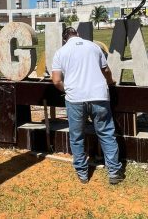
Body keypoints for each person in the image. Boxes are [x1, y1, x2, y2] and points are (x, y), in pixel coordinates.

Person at [51, 27, 124, 185]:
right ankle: (114, 172)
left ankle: (82, 173)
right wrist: (110, 83)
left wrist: (68, 89)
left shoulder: (60, 52)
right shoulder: (93, 47)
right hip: (99, 96)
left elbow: (56, 80)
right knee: (106, 134)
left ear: (65, 39)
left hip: (75, 99)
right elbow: (106, 70)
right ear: (78, 34)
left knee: (77, 137)